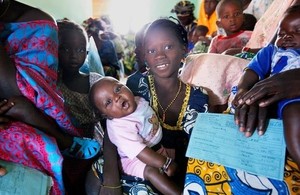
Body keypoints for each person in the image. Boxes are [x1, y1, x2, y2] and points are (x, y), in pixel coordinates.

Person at [0, 1, 100, 194]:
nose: (73, 56)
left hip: (78, 132)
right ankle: (66, 141)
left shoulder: (94, 81)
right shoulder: (59, 79)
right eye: (66, 49)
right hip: (18, 113)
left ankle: (67, 141)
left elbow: (28, 93)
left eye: (80, 50)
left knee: (23, 108)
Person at [126, 18, 209, 191]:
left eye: (168, 47)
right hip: (139, 168)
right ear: (145, 57)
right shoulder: (136, 86)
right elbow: (115, 129)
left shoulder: (198, 97)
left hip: (180, 174)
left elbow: (201, 149)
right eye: (151, 50)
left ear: (183, 50)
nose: (160, 55)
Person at [90, 76, 182, 195]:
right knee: (153, 172)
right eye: (108, 102)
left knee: (181, 159)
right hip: (133, 158)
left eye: (117, 89)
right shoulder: (119, 127)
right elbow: (140, 152)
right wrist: (165, 163)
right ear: (107, 116)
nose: (117, 97)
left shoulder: (137, 100)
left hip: (155, 147)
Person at [233, 5, 300, 166]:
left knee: (294, 114)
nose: (287, 37)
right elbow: (252, 71)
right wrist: (243, 89)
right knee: (241, 109)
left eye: (298, 30)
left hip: (292, 100)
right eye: (281, 33)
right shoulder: (272, 52)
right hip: (269, 97)